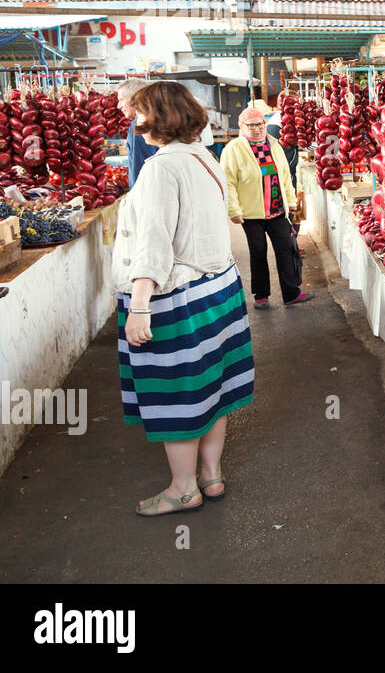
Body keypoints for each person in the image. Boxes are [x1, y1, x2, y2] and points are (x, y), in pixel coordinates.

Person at [112, 82, 254, 515]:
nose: (135, 123)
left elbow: (154, 243)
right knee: (214, 388)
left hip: (177, 300)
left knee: (178, 395)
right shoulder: (204, 159)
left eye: (139, 114)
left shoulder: (161, 168)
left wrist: (139, 306)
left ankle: (182, 488)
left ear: (158, 117)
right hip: (219, 291)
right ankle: (210, 475)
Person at [220, 105, 312, 309]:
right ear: (241, 126)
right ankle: (261, 295)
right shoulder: (233, 149)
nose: (257, 128)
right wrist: (233, 210)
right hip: (251, 213)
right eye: (251, 125)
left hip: (277, 209)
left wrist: (291, 201)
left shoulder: (274, 144)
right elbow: (228, 182)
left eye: (261, 124)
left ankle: (291, 293)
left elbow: (285, 177)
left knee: (286, 249)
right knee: (258, 251)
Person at [116, 78, 158, 187]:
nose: (118, 106)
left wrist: (134, 199)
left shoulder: (139, 126)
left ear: (134, 98)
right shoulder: (156, 119)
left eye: (121, 99)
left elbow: (139, 168)